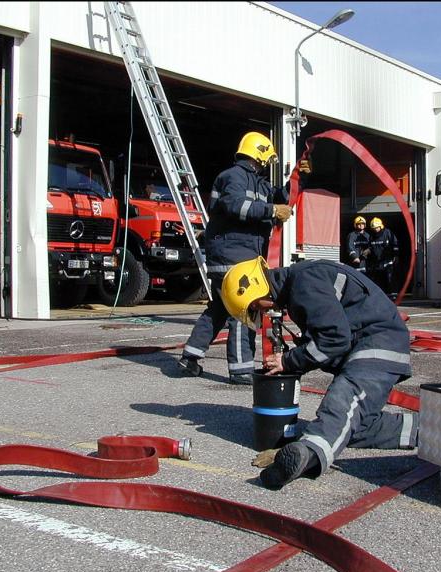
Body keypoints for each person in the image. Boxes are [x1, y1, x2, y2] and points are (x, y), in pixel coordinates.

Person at [220, 256, 419, 489]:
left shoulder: (304, 282)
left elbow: (334, 340)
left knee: (342, 400)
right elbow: (329, 334)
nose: (262, 312)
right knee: (348, 428)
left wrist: (289, 361)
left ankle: (307, 454)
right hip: (370, 343)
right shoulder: (300, 284)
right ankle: (426, 430)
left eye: (255, 307)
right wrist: (296, 355)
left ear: (258, 289)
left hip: (377, 344)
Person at [177, 131, 294, 385]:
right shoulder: (232, 177)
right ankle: (241, 370)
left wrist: (300, 177)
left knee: (219, 308)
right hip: (234, 257)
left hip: (236, 257)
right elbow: (236, 207)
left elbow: (282, 197)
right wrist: (273, 210)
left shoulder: (258, 183)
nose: (266, 165)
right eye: (266, 160)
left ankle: (190, 357)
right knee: (244, 310)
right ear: (260, 154)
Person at [366, 217, 399, 297]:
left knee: (389, 278)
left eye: (377, 228)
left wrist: (396, 255)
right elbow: (371, 247)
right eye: (374, 228)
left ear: (381, 226)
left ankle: (393, 294)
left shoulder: (388, 233)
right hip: (377, 263)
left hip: (388, 261)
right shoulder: (371, 236)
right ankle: (381, 296)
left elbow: (395, 244)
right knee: (379, 279)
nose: (376, 229)